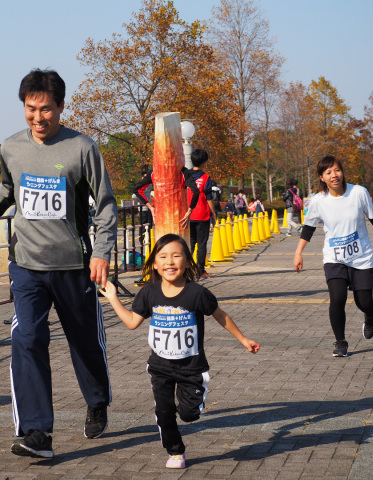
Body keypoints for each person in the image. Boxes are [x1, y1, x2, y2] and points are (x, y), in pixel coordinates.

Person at [0, 69, 117, 459]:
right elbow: (7, 188)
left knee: (84, 342)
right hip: (26, 264)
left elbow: (105, 205)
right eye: (31, 109)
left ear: (61, 107)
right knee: (26, 338)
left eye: (46, 109)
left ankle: (97, 400)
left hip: (73, 265)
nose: (38, 117)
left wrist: (101, 252)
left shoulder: (82, 148)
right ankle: (37, 433)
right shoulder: (11, 147)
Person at [99, 234, 260, 469]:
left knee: (188, 414)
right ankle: (175, 452)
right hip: (160, 367)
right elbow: (132, 322)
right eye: (163, 257)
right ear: (155, 264)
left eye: (176, 256)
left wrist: (243, 339)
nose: (170, 262)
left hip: (191, 368)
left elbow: (220, 315)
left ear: (186, 261)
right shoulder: (148, 293)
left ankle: (191, 405)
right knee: (164, 412)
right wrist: (113, 298)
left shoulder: (197, 293)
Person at [293, 156, 373, 357]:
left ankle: (370, 316)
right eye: (328, 172)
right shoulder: (319, 201)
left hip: (361, 257)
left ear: (342, 172)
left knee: (364, 302)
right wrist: (298, 253)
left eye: (337, 170)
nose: (334, 175)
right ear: (322, 177)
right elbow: (309, 228)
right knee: (337, 298)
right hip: (334, 258)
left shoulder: (359, 192)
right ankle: (340, 342)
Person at [188, 149, 216, 278]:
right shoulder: (205, 178)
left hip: (188, 215)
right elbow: (209, 198)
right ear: (204, 162)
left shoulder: (185, 176)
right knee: (202, 243)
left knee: (190, 243)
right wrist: (213, 214)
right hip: (202, 215)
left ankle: (186, 268)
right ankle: (200, 270)